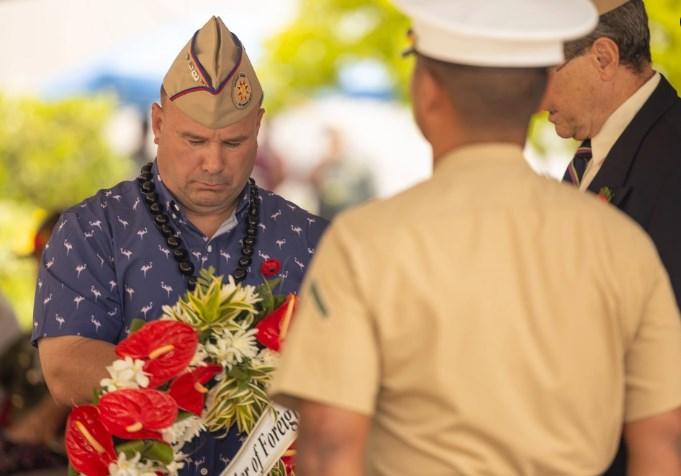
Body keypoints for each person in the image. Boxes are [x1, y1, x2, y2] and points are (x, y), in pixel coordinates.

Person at [269, 0, 681, 474]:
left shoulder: (363, 242)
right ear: (534, 91)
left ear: (428, 92)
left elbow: (329, 444)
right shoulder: (622, 243)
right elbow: (662, 440)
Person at [32, 16, 327, 475]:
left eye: (234, 142)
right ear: (158, 122)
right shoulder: (92, 231)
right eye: (194, 140)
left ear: (259, 127)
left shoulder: (310, 240)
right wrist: (210, 379)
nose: (214, 162)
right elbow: (65, 368)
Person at [541, 2, 681, 472]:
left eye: (546, 71)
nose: (537, 98)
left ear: (603, 57)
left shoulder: (672, 159)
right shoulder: (605, 150)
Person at [1, 211, 69, 475]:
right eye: (39, 262)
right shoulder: (24, 343)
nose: (40, 273)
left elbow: (36, 430)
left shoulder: (108, 336)